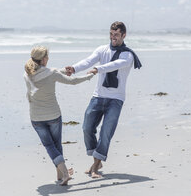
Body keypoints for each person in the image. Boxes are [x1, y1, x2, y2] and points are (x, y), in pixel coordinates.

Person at [65, 21, 142, 178]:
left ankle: (95, 166)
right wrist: (74, 68)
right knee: (87, 128)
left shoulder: (128, 55)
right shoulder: (102, 49)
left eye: (116, 35)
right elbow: (88, 60)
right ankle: (97, 160)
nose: (113, 37)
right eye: (111, 34)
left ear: (123, 35)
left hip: (116, 99)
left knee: (106, 132)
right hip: (98, 96)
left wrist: (98, 69)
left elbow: (114, 65)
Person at [24, 45, 94, 185]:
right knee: (56, 145)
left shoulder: (27, 73)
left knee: (50, 146)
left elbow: (47, 73)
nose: (48, 59)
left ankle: (61, 175)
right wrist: (88, 76)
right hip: (54, 116)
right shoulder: (53, 73)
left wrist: (62, 70)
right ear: (44, 59)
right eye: (47, 57)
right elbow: (72, 81)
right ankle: (65, 173)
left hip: (36, 118)